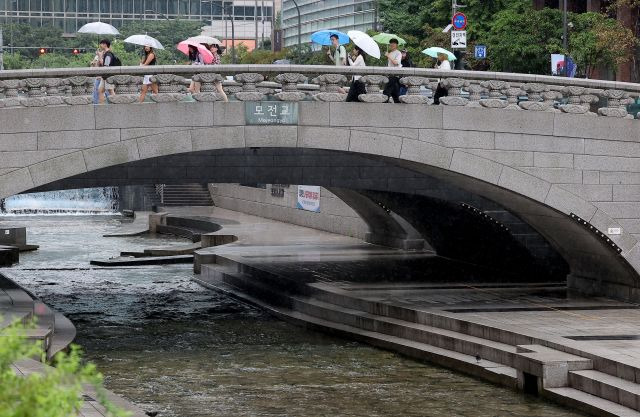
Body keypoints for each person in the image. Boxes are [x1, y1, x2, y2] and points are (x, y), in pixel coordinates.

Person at [382, 38, 402, 103]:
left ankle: (383, 103)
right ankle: (398, 103)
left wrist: (388, 56)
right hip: (390, 75)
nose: (392, 44)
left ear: (396, 45)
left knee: (386, 91)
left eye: (394, 43)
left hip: (394, 75)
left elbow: (396, 63)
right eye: (391, 43)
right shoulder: (390, 53)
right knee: (395, 94)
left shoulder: (398, 53)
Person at [97, 39, 116, 104]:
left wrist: (99, 57)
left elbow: (106, 66)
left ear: (105, 44)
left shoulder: (108, 54)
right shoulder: (106, 53)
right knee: (100, 90)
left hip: (108, 76)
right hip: (105, 76)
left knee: (110, 90)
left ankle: (115, 103)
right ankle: (101, 105)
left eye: (101, 44)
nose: (100, 46)